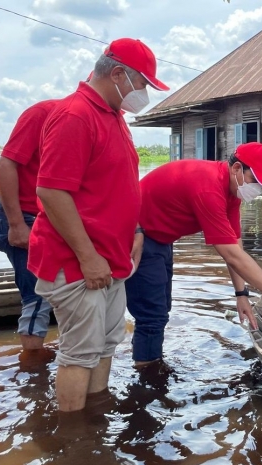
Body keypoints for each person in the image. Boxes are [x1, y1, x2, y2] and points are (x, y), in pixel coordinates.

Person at [28, 38, 169, 412]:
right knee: (79, 352)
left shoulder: (113, 116)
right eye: (143, 85)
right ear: (119, 74)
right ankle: (75, 444)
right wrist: (87, 257)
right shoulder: (76, 115)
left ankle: (95, 421)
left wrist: (134, 231)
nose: (143, 94)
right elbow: (52, 192)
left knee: (106, 344)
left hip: (110, 259)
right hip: (78, 261)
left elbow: (117, 185)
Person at [126, 142, 262, 367]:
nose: (257, 189)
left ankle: (147, 360)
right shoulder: (208, 188)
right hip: (136, 233)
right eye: (255, 181)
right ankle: (147, 378)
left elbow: (234, 244)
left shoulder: (231, 191)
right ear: (236, 169)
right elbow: (231, 255)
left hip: (161, 238)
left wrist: (241, 293)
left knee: (160, 310)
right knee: (152, 317)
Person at [0, 100, 60, 351]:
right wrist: (17, 225)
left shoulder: (95, 121)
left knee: (57, 289)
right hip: (25, 215)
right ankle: (32, 370)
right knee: (39, 295)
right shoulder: (42, 114)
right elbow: (4, 165)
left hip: (50, 215)